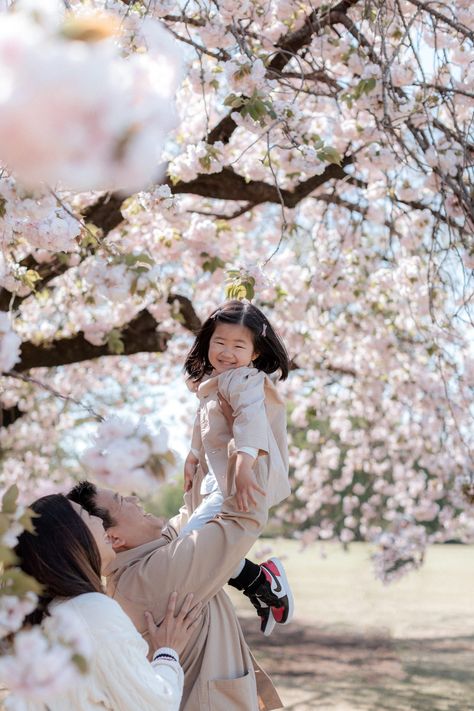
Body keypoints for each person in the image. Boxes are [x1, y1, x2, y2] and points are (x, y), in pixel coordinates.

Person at [67, 478, 284, 711]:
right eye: (122, 501)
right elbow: (240, 521)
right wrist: (249, 454)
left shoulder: (144, 559)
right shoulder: (147, 579)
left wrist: (201, 450)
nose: (133, 499)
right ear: (114, 538)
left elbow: (192, 515)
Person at [11, 494, 201, 711]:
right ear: (68, 538)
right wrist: (167, 652)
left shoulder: (50, 615)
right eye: (86, 516)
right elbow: (157, 704)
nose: (99, 521)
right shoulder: (90, 612)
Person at [182, 299, 294, 635]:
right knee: (206, 547)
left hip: (236, 478)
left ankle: (256, 583)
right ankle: (261, 582)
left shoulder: (244, 380)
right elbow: (204, 427)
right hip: (218, 480)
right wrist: (191, 457)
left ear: (255, 353)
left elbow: (251, 421)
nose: (227, 352)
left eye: (238, 345)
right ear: (207, 343)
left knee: (192, 544)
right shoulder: (215, 384)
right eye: (219, 342)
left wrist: (244, 467)